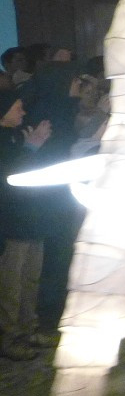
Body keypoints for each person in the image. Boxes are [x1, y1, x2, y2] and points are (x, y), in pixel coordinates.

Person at [0, 92, 53, 360]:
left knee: (30, 279)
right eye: (17, 107)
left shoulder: (14, 135)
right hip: (11, 225)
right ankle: (10, 339)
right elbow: (9, 177)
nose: (22, 113)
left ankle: (28, 329)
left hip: (31, 219)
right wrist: (31, 147)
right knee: (11, 286)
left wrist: (31, 145)